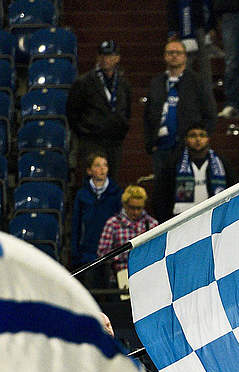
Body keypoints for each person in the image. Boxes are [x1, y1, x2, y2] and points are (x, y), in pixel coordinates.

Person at [144, 38, 214, 222]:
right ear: (164, 57)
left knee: (186, 192)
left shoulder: (196, 81)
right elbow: (148, 115)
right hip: (161, 148)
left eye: (178, 53)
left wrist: (199, 140)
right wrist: (149, 143)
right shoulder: (157, 82)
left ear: (185, 56)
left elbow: (210, 113)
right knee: (162, 191)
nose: (174, 56)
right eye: (170, 53)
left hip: (187, 149)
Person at [68, 39, 131, 182]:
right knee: (92, 180)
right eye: (102, 55)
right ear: (98, 58)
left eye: (109, 56)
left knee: (112, 181)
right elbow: (72, 112)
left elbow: (127, 111)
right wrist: (86, 131)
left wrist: (121, 128)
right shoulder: (84, 82)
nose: (105, 59)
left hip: (114, 142)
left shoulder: (123, 84)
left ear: (117, 58)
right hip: (92, 142)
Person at [70, 153, 123, 288]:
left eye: (105, 165)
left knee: (112, 294)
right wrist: (76, 253)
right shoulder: (82, 194)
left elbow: (121, 223)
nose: (102, 169)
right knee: (91, 291)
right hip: (88, 253)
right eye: (97, 165)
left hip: (111, 254)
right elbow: (76, 225)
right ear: (89, 170)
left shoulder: (116, 193)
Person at [97, 185, 159, 290]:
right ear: (125, 205)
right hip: (119, 277)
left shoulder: (152, 224)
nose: (135, 212)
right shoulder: (113, 224)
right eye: (132, 208)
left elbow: (158, 252)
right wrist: (128, 255)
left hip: (145, 277)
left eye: (139, 208)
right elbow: (102, 253)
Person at [171, 121, 228, 216]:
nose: (198, 139)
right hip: (182, 218)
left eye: (202, 135)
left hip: (213, 215)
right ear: (186, 140)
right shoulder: (174, 164)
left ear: (208, 139)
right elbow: (163, 195)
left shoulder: (221, 163)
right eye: (193, 136)